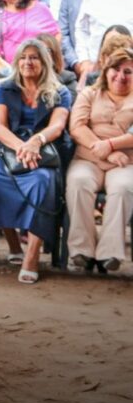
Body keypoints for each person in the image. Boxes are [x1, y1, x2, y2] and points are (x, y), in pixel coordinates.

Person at [0, 39, 71, 283]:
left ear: (44, 62)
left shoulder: (60, 91)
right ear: (17, 61)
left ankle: (32, 255)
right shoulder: (4, 88)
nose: (28, 62)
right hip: (8, 149)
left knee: (42, 181)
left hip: (43, 151)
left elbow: (58, 126)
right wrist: (22, 147)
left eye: (34, 57)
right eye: (24, 57)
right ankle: (13, 245)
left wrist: (35, 142)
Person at [66, 47, 133, 272]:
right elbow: (76, 127)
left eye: (128, 71)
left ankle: (109, 252)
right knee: (79, 182)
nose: (121, 76)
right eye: (116, 69)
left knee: (124, 187)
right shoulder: (90, 93)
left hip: (126, 162)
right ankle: (81, 250)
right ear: (105, 71)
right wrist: (106, 150)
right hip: (88, 158)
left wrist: (112, 145)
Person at [36, 33, 78, 99]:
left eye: (46, 50)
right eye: (38, 51)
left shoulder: (67, 78)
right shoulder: (22, 79)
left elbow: (68, 104)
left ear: (54, 55)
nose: (42, 54)